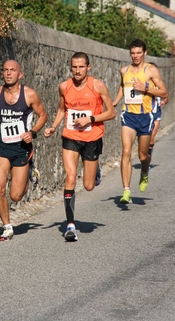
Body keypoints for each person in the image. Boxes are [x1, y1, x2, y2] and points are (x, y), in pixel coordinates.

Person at [44, 52, 115, 241]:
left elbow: (111, 113)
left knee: (89, 186)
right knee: (70, 176)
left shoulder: (97, 86)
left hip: (92, 138)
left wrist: (91, 118)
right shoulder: (64, 87)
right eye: (74, 67)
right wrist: (53, 126)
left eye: (81, 67)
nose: (77, 70)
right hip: (71, 136)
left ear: (88, 67)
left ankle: (95, 168)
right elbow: (62, 110)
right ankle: (70, 226)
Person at [0, 60, 47, 241]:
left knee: (15, 196)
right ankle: (7, 226)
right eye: (6, 70)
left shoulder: (30, 95)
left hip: (21, 148)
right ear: (2, 73)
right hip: (1, 146)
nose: (9, 73)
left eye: (12, 70)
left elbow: (43, 115)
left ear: (20, 74)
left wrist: (32, 132)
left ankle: (29, 169)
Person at [113, 39, 168, 204]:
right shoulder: (124, 70)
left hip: (146, 117)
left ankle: (144, 171)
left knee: (143, 155)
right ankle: (126, 191)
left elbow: (164, 92)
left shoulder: (150, 70)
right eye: (133, 53)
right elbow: (123, 87)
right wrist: (115, 102)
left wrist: (145, 88)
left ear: (144, 53)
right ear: (130, 53)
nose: (135, 56)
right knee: (126, 151)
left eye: (138, 53)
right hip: (128, 115)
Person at [148, 62, 168, 170]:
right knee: (144, 137)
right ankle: (144, 156)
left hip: (156, 112)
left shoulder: (160, 85)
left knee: (152, 137)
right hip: (144, 113)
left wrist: (164, 101)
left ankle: (147, 160)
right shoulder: (143, 83)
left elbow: (166, 96)